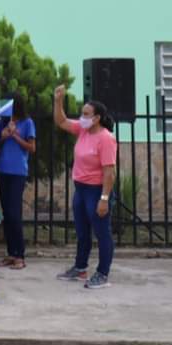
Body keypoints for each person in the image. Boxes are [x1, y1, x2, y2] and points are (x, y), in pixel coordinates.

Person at [54, 85, 116, 289]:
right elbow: (61, 121)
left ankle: (103, 273)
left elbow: (109, 172)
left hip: (96, 190)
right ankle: (80, 268)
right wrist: (58, 100)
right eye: (82, 113)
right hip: (80, 188)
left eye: (86, 114)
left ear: (97, 118)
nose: (82, 117)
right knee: (82, 231)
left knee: (101, 232)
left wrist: (104, 199)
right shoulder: (83, 130)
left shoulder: (106, 138)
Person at [0, 92, 36, 270]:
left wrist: (15, 135)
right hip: (2, 170)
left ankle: (20, 254)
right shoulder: (2, 122)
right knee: (6, 213)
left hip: (17, 171)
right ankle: (11, 253)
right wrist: (4, 135)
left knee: (14, 213)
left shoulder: (27, 122)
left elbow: (31, 147)